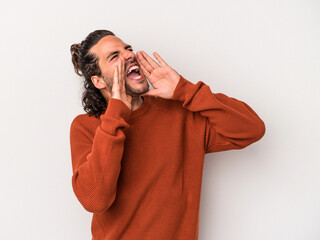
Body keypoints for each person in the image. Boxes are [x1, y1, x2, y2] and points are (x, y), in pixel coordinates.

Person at [69, 29, 266, 240]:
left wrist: (185, 90)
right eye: (114, 56)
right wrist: (116, 113)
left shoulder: (179, 112)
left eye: (128, 49)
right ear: (98, 81)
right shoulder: (87, 126)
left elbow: (252, 129)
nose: (129, 55)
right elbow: (95, 200)